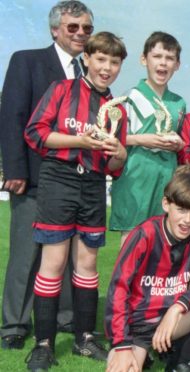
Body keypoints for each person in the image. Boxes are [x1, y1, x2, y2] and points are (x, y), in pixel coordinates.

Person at [23, 31, 128, 370]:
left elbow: (116, 168)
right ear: (87, 59)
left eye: (114, 62)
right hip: (60, 178)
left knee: (86, 265)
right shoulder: (62, 90)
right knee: (52, 263)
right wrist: (79, 140)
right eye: (101, 59)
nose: (107, 67)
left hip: (94, 185)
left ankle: (84, 338)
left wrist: (120, 153)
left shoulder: (117, 111)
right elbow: (36, 133)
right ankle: (43, 343)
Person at [0, 0, 93, 349]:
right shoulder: (27, 61)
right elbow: (11, 116)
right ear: (55, 29)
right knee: (27, 253)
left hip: (77, 179)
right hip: (35, 176)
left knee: (67, 253)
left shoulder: (89, 70)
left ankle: (65, 318)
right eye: (73, 27)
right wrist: (15, 169)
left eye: (86, 28)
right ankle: (15, 323)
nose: (80, 34)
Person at [105, 165, 190, 372]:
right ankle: (141, 352)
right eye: (181, 210)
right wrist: (121, 345)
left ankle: (179, 363)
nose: (187, 220)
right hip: (138, 327)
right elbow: (119, 289)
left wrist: (178, 307)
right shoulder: (144, 235)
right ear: (166, 204)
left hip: (174, 319)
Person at [110, 31, 186, 248]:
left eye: (170, 58)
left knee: (161, 243)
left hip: (166, 179)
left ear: (177, 64)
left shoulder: (179, 103)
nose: (163, 63)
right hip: (135, 179)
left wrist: (179, 144)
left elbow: (180, 142)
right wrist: (143, 139)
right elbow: (113, 139)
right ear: (144, 59)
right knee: (132, 244)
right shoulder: (129, 97)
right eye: (157, 56)